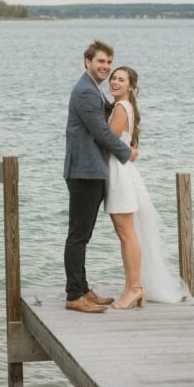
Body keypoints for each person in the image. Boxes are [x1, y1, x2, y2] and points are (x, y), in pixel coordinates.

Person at [63, 40, 138, 313]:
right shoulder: (85, 91)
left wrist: (125, 106)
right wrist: (126, 152)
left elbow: (109, 114)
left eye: (108, 62)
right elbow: (101, 132)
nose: (105, 67)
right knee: (78, 236)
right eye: (100, 62)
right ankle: (74, 295)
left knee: (83, 235)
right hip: (84, 172)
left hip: (91, 171)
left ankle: (83, 289)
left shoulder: (92, 88)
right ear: (88, 62)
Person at [105, 66, 189, 308]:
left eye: (121, 80)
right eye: (113, 78)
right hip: (122, 171)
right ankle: (133, 287)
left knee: (126, 234)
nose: (115, 82)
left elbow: (107, 141)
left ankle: (134, 288)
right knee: (126, 233)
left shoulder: (121, 108)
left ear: (131, 86)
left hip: (119, 174)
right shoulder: (126, 107)